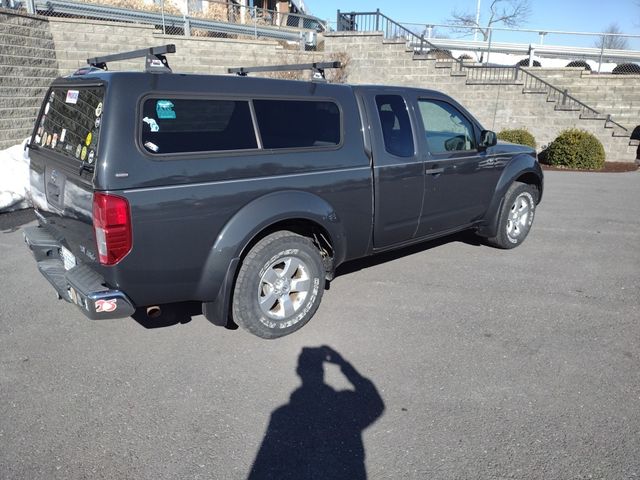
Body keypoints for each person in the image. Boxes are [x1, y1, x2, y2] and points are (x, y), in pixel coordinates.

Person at [248, 346, 385, 480]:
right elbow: (375, 404)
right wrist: (343, 364)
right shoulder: (342, 402)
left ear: (298, 371)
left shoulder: (281, 414)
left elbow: (264, 459)